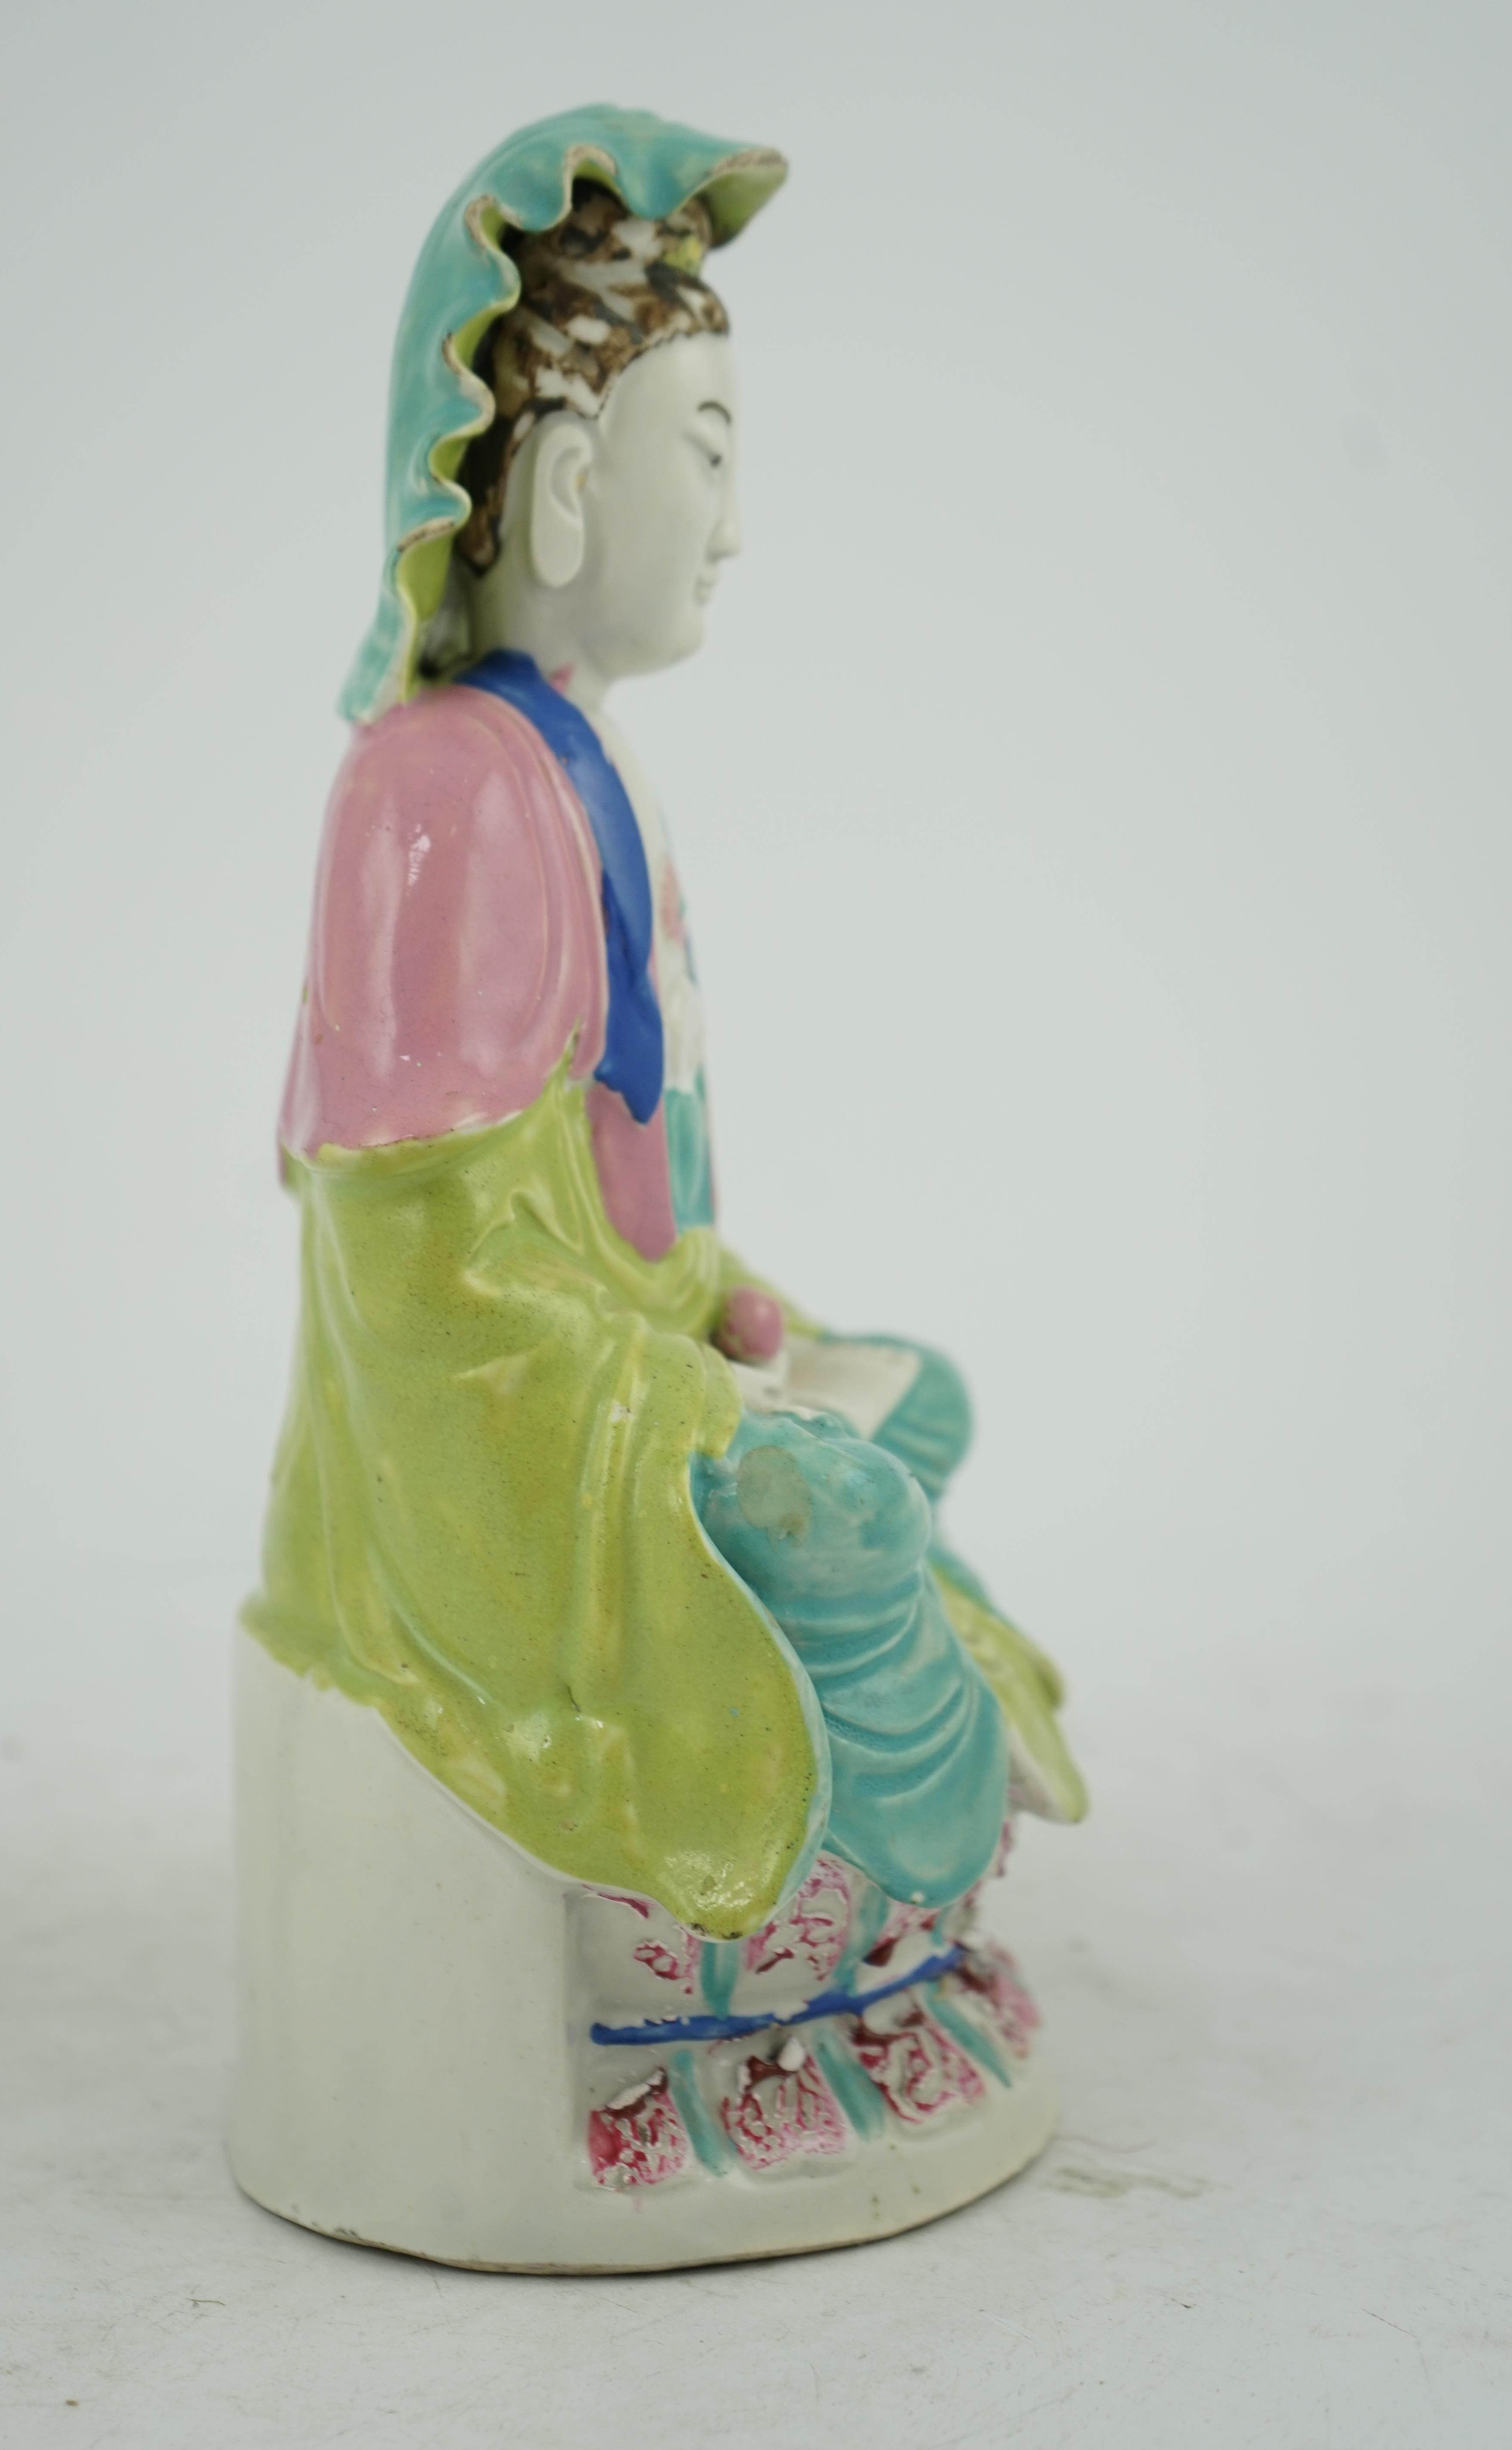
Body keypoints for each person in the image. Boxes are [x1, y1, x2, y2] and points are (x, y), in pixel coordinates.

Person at [247, 110, 1084, 1959]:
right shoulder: (436, 789)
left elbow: (627, 1200)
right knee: (845, 1513)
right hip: (500, 1442)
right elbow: (427, 1283)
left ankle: (877, 1906)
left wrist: (718, 1304)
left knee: (914, 1399)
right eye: (705, 454)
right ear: (559, 478)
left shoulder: (581, 761)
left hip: (622, 1355)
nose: (737, 525)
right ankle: (828, 1933)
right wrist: (687, 1397)